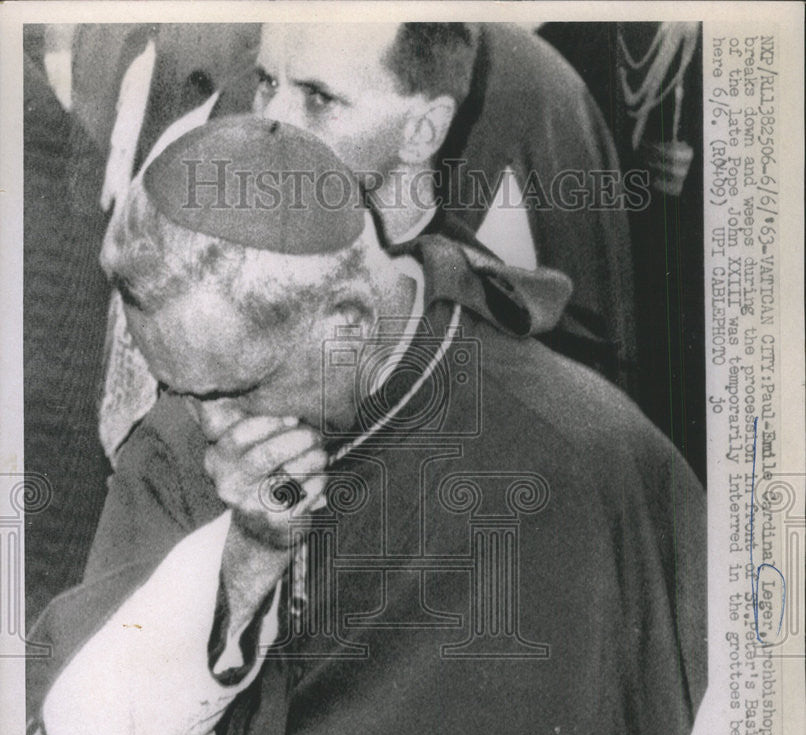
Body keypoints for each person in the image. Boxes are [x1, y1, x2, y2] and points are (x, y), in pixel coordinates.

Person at [27, 116, 706, 735]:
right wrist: (248, 556)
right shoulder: (218, 427)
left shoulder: (576, 457)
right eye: (177, 388)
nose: (204, 428)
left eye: (230, 390)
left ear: (348, 316)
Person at [98, 22, 637, 460]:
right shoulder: (200, 235)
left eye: (318, 98)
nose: (273, 123)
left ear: (423, 130)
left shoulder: (495, 336)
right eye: (267, 83)